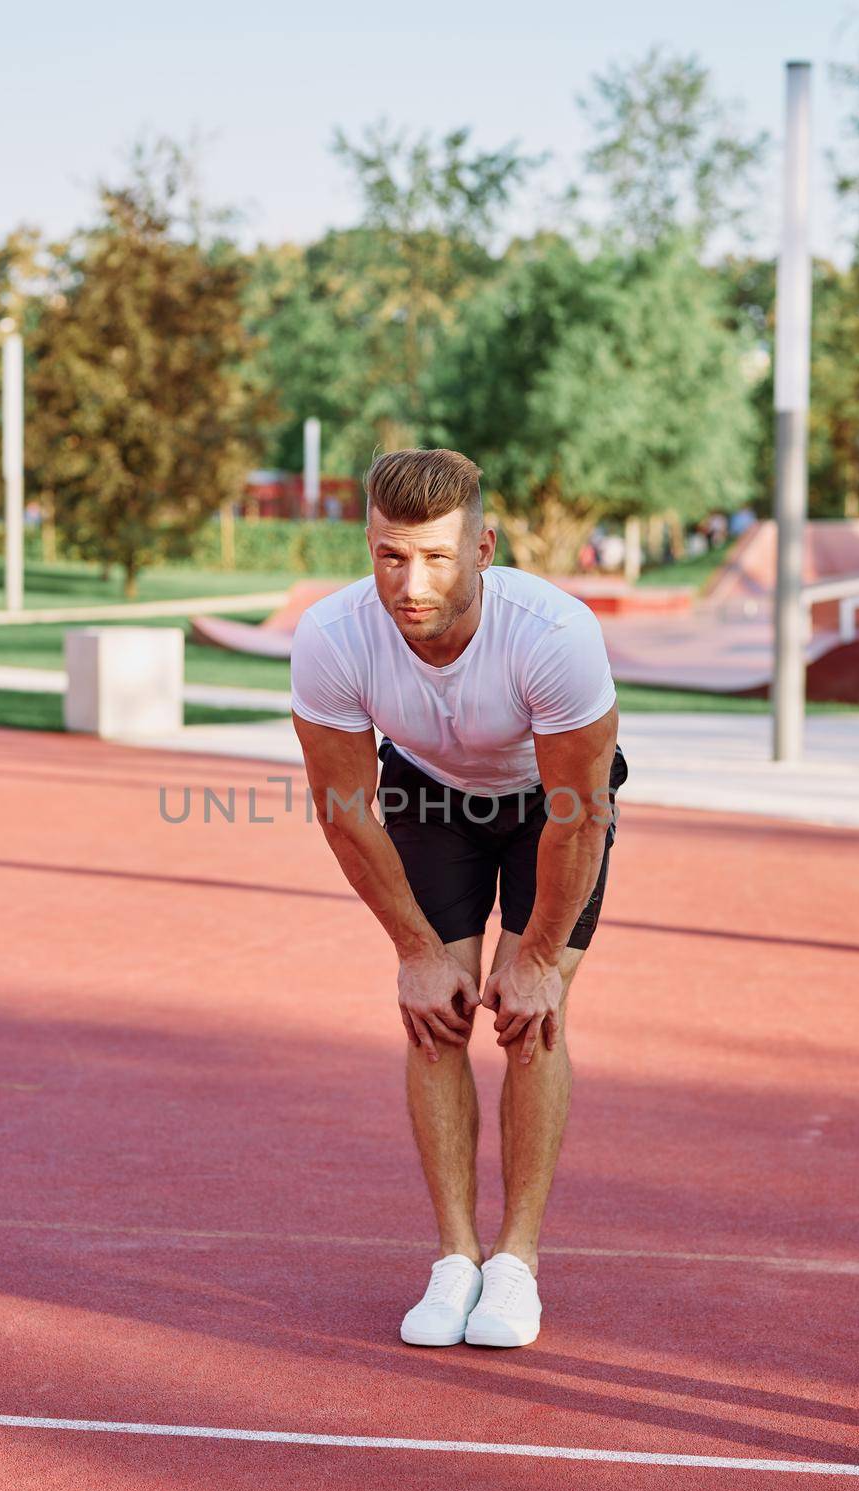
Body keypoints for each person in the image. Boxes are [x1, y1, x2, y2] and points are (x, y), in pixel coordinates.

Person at [290, 449, 627, 1350]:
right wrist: (414, 952)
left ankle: (515, 1263)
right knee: (434, 1013)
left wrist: (536, 959)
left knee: (528, 1020)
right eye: (390, 555)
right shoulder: (332, 636)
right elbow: (344, 809)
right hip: (428, 797)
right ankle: (454, 1258)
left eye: (436, 557)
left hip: (546, 809)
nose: (410, 582)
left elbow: (576, 816)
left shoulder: (552, 635)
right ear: (367, 544)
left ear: (481, 547)